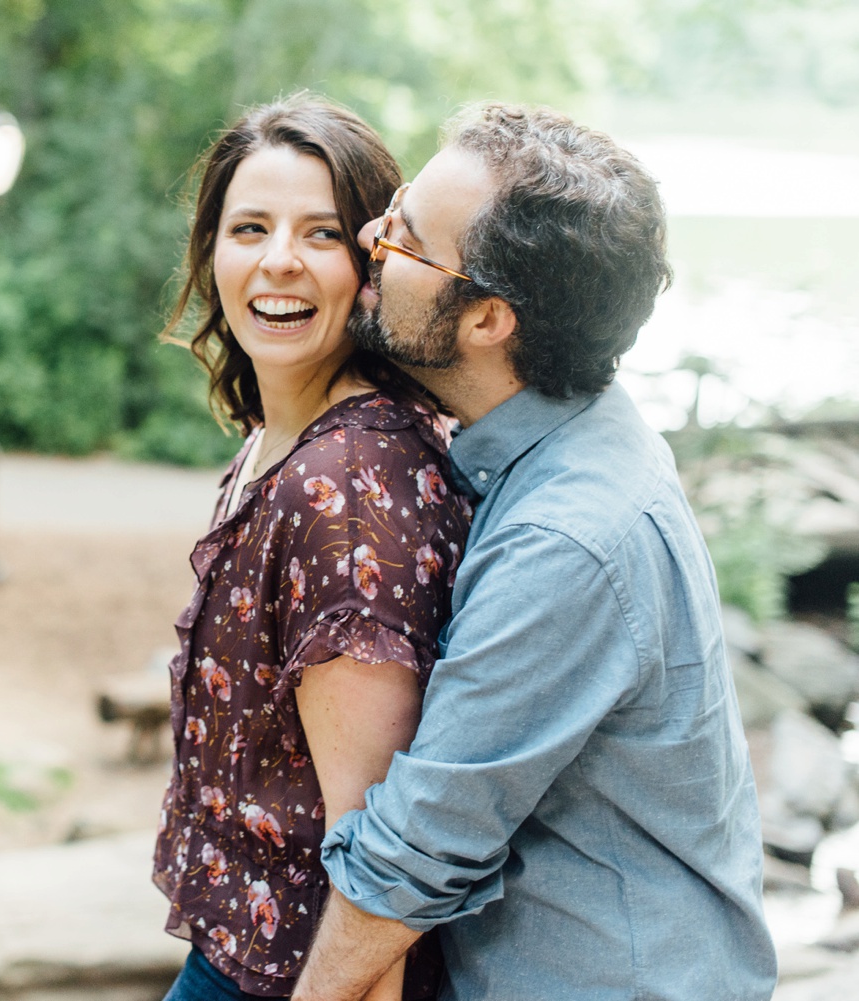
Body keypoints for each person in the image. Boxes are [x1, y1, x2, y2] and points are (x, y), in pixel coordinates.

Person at [291, 103, 777, 1001]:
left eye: (403, 235)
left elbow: (419, 849)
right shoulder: (581, 432)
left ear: (485, 321)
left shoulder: (567, 539)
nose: (369, 234)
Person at [152, 95, 471, 1001]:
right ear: (211, 250)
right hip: (236, 956)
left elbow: (378, 866)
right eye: (248, 226)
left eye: (321, 233)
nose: (278, 259)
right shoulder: (279, 436)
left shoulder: (345, 490)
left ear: (371, 263)